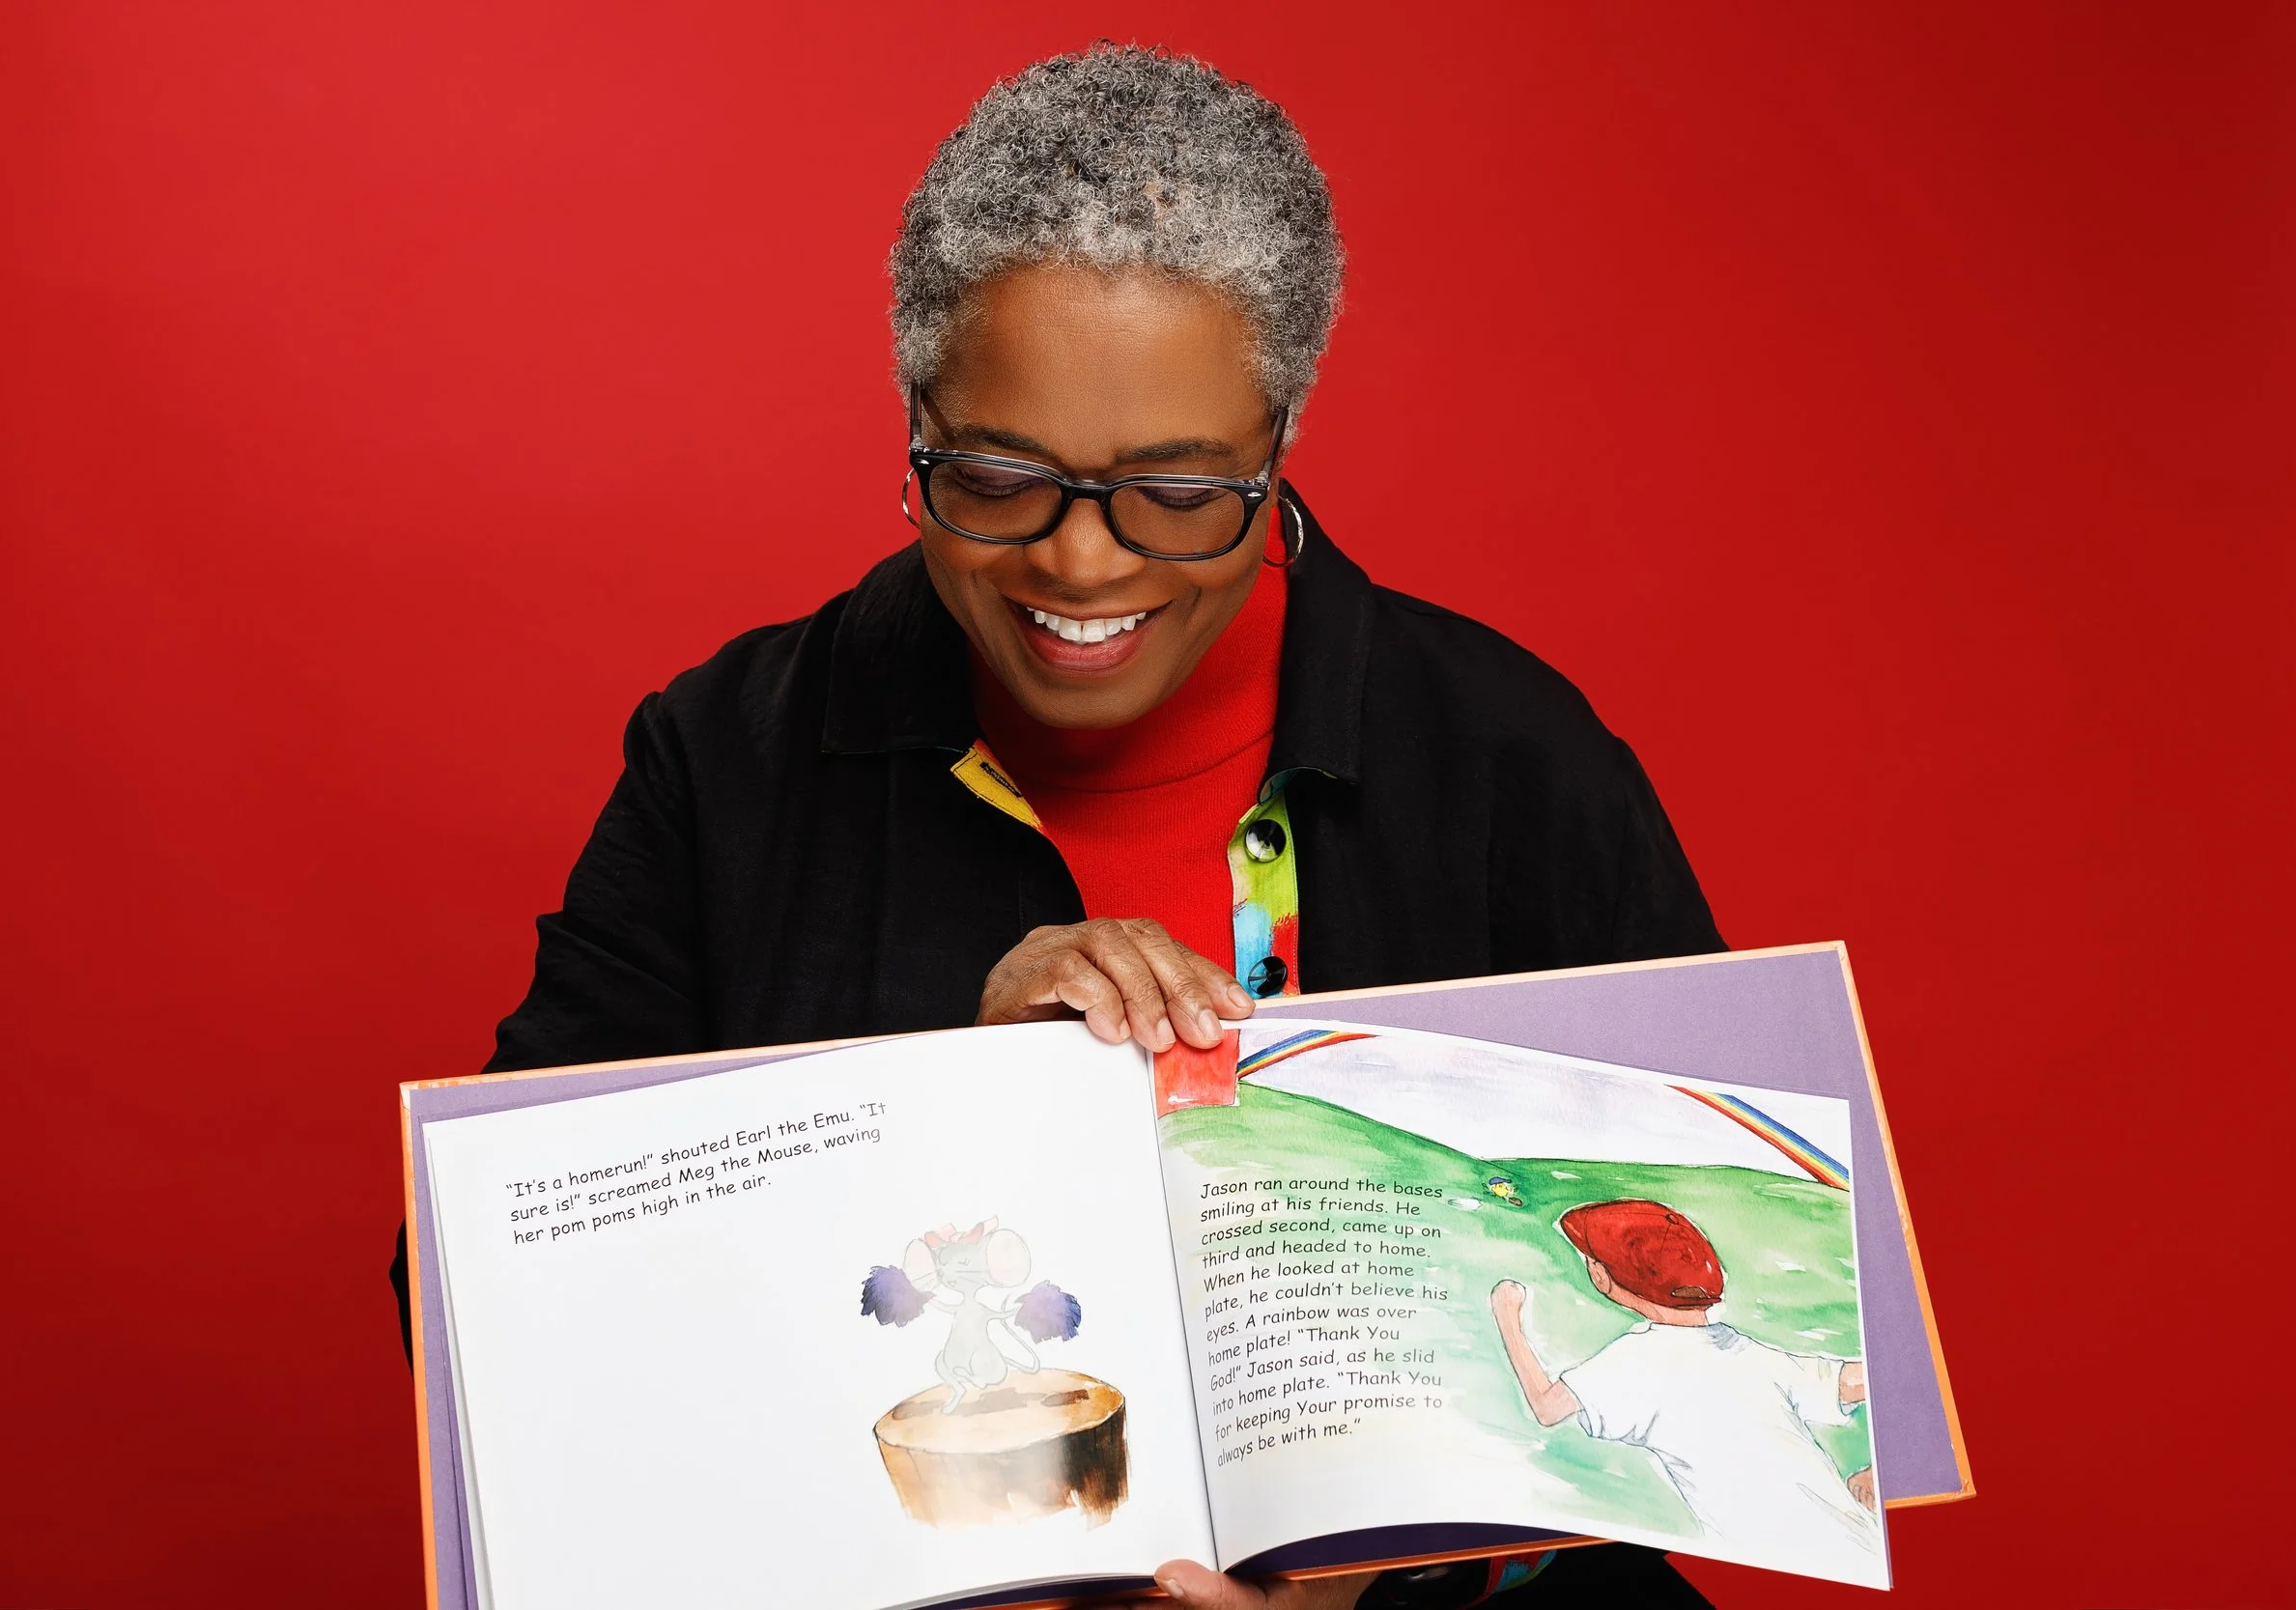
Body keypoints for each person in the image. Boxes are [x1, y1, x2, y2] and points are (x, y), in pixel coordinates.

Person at [393, 44, 1725, 1609]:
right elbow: (478, 1305)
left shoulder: (1510, 764)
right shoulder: (733, 761)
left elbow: (1707, 1358)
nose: (1083, 563)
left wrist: (1404, 1579)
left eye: (1177, 491)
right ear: (913, 423)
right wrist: (935, 1110)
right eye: (1000, 478)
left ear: (1278, 443)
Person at [1490, 1201, 1879, 1575]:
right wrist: (1878, 1471)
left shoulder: (1632, 1361)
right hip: (1860, 1546)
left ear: (1601, 1276)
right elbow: (1866, 1379)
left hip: (1777, 1566)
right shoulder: (1748, 1352)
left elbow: (1545, 1408)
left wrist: (1507, 1314)